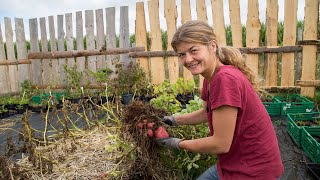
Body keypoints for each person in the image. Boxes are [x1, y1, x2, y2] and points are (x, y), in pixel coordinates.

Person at [156, 20, 284, 180]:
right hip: (235, 163)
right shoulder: (210, 77)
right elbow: (205, 113)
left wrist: (176, 143)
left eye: (193, 50)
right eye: (182, 54)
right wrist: (172, 120)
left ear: (212, 46)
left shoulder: (225, 79)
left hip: (254, 171)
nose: (188, 59)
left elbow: (220, 144)